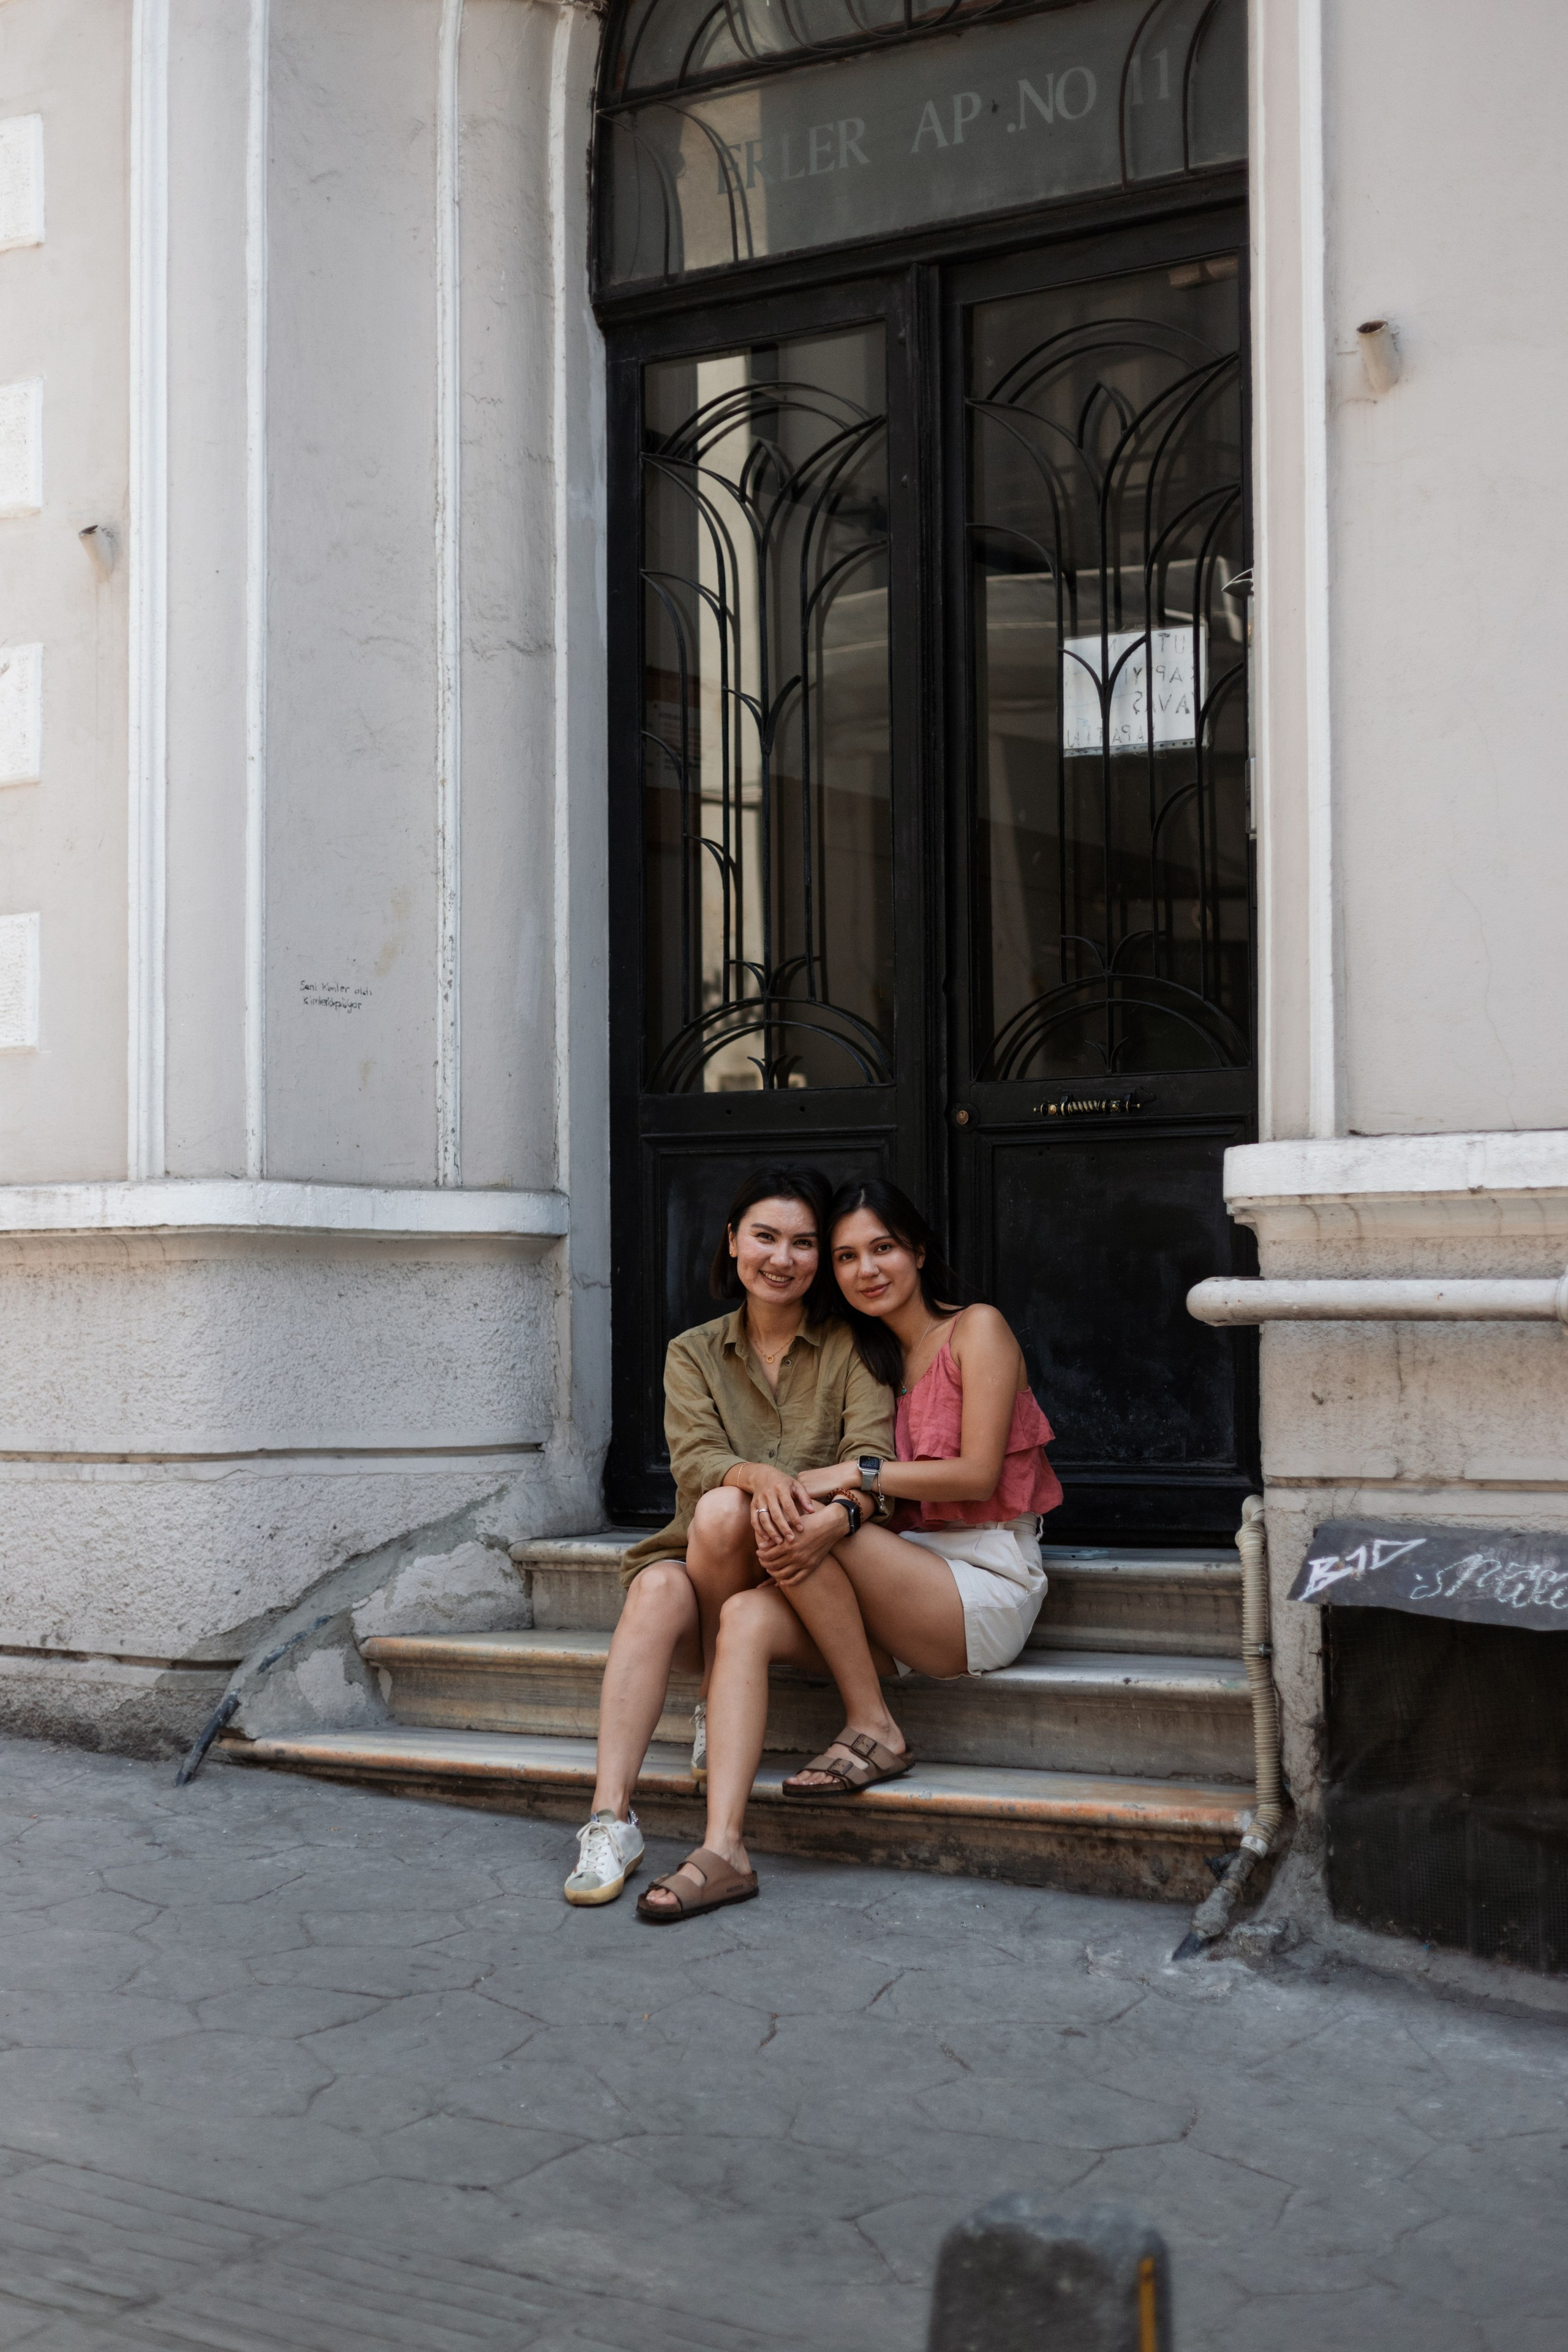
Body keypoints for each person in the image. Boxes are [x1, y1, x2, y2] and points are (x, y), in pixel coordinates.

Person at [634, 1178, 1060, 1921]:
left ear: (919, 1253)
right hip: (889, 1579)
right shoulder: (861, 1355)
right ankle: (724, 1847)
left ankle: (874, 1723)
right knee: (742, 1615)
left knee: (796, 1523)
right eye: (846, 1256)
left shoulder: (975, 1330)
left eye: (883, 1249)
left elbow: (976, 1473)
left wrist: (849, 1480)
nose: (867, 1271)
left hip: (979, 1578)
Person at [564, 1164, 895, 1908]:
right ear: (732, 1242)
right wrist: (755, 1475)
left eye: (805, 1243)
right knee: (673, 1558)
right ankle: (610, 1818)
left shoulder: (854, 1348)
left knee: (722, 1510)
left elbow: (876, 1468)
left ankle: (720, 1700)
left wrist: (817, 1502)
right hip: (708, 1576)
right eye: (765, 1237)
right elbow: (696, 1460)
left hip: (806, 1587)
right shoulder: (694, 1352)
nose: (782, 1258)